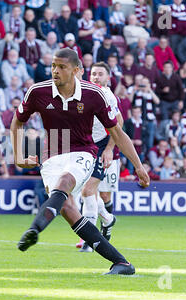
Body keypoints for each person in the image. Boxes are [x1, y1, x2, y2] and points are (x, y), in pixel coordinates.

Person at [10, 48, 150, 275]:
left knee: (65, 183)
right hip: (51, 157)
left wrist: (138, 165)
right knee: (66, 208)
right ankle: (122, 263)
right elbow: (17, 123)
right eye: (54, 66)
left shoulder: (94, 94)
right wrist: (18, 158)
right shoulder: (37, 91)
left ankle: (35, 228)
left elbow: (117, 131)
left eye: (62, 67)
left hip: (83, 152)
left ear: (76, 71)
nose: (55, 70)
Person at [75, 61, 123, 252]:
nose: (96, 77)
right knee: (87, 192)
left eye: (100, 74)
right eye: (93, 73)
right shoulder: (84, 92)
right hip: (86, 145)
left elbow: (118, 123)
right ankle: (108, 220)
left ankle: (89, 240)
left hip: (103, 145)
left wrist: (109, 148)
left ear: (108, 77)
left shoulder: (108, 96)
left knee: (92, 192)